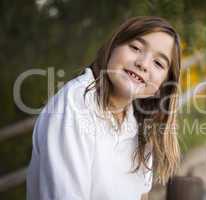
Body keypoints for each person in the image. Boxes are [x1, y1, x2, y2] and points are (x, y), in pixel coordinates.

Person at [26, 16, 182, 200]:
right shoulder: (76, 102)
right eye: (136, 48)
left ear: (163, 85)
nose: (143, 64)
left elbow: (142, 196)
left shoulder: (141, 124)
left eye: (158, 63)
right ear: (113, 47)